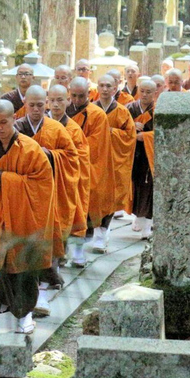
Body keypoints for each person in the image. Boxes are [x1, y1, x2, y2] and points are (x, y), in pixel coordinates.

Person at [0, 100, 54, 334]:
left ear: (13, 119)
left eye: (4, 122)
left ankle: (25, 315)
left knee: (23, 268)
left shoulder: (30, 149)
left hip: (23, 219)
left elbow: (42, 185)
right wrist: (0, 178)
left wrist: (3, 179)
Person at [15, 86, 79, 316]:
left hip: (49, 196)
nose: (35, 109)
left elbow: (72, 159)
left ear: (47, 104)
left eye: (40, 105)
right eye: (31, 105)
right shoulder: (15, 128)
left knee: (46, 243)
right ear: (25, 104)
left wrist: (50, 154)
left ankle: (42, 296)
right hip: (22, 195)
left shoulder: (56, 129)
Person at [67, 77, 115, 252]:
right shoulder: (64, 111)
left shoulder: (97, 114)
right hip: (68, 163)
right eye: (74, 96)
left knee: (97, 197)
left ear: (89, 93)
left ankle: (100, 235)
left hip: (92, 163)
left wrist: (70, 149)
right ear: (69, 93)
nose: (77, 100)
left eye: (81, 96)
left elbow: (94, 144)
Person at [47, 84, 89, 267]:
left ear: (68, 101)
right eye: (53, 100)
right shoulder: (40, 124)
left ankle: (69, 250)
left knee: (68, 213)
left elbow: (81, 157)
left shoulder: (73, 129)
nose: (56, 105)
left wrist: (52, 155)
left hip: (67, 179)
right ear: (47, 101)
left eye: (60, 100)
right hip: (44, 180)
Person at [94, 74, 136, 219]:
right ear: (97, 87)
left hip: (114, 157)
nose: (105, 89)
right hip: (95, 158)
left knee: (112, 193)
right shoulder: (90, 110)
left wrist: (112, 132)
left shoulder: (122, 111)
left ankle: (104, 230)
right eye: (102, 85)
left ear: (114, 89)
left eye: (108, 86)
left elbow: (130, 136)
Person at [127, 80, 156, 239]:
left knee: (148, 187)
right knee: (135, 185)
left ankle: (147, 224)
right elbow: (120, 129)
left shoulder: (158, 110)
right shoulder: (129, 109)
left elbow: (163, 133)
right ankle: (137, 217)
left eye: (148, 92)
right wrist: (132, 127)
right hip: (133, 153)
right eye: (142, 91)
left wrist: (144, 136)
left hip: (150, 156)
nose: (145, 95)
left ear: (155, 93)